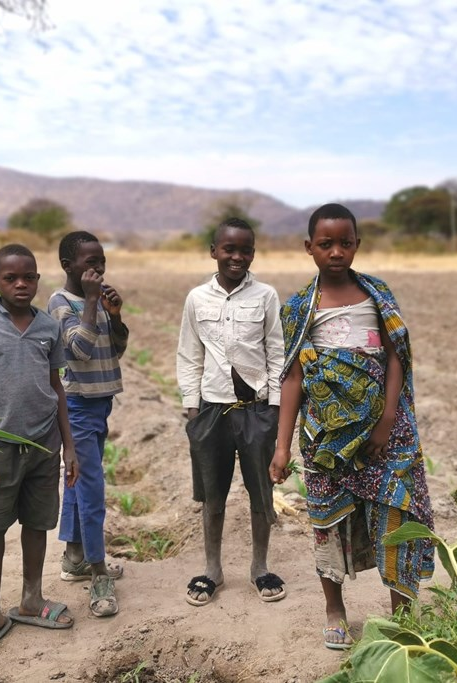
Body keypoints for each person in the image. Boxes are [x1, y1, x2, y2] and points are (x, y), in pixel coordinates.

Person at [268, 204, 434, 651]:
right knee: (327, 523)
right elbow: (294, 377)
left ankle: (403, 613)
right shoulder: (301, 308)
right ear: (309, 248)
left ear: (357, 244)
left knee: (396, 517)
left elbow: (398, 356)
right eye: (326, 244)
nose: (336, 251)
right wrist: (282, 448)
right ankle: (335, 610)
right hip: (325, 440)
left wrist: (385, 420)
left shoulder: (377, 295)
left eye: (346, 242)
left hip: (386, 436)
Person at [0, 243, 78, 660]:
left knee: (37, 523)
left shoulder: (47, 328)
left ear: (38, 280)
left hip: (44, 444)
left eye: (29, 277)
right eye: (11, 278)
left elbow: (56, 387)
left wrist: (69, 447)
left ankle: (31, 598)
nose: (21, 284)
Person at [176, 217, 287, 606]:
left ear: (253, 254)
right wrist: (193, 410)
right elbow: (189, 355)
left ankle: (260, 567)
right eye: (229, 249)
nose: (237, 256)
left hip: (256, 411)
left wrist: (273, 409)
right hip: (211, 412)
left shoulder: (266, 296)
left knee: (261, 491)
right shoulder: (197, 299)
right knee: (213, 495)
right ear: (213, 251)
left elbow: (277, 352)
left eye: (245, 250)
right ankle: (212, 570)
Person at [48, 231, 128, 617]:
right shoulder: (61, 303)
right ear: (68, 266)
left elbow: (118, 347)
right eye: (89, 263)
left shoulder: (95, 302)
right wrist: (93, 302)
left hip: (101, 402)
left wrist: (115, 315)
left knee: (78, 481)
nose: (97, 269)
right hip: (77, 404)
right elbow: (76, 351)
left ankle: (75, 556)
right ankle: (98, 576)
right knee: (92, 488)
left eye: (102, 263)